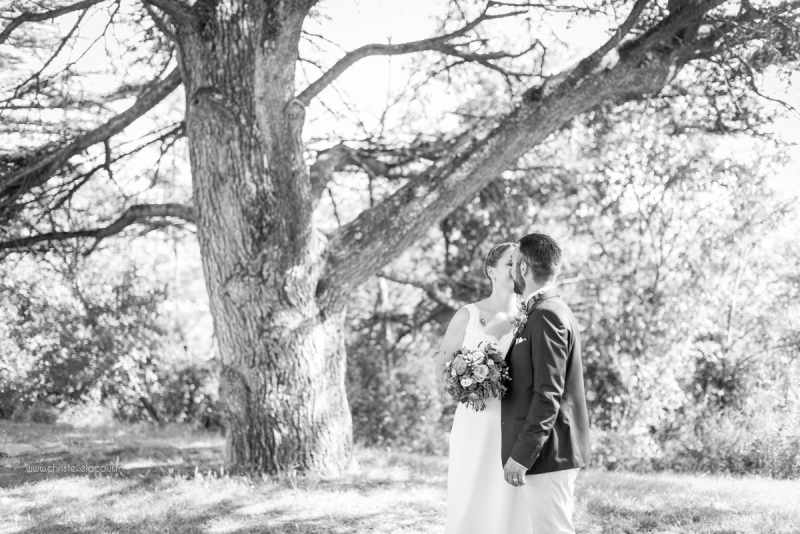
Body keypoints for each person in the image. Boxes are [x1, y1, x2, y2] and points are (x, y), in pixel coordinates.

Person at [435, 243, 531, 534]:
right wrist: (468, 385)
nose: (517, 269)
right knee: (472, 492)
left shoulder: (529, 316)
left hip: (515, 421)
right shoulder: (468, 315)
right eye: (510, 263)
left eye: (521, 263)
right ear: (491, 271)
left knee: (511, 501)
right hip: (476, 421)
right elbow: (442, 365)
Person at [501, 232, 591, 534]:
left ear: (523, 269)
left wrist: (523, 454)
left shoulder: (548, 315)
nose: (512, 270)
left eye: (513, 263)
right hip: (546, 451)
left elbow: (548, 393)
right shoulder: (543, 311)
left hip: (548, 452)